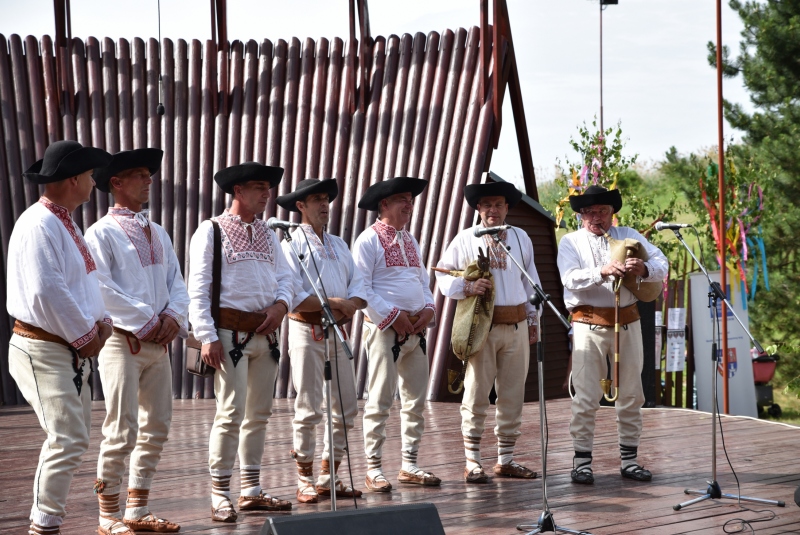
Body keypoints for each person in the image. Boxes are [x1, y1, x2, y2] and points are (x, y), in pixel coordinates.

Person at [7, 140, 113, 535]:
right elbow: (45, 291)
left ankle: (47, 522)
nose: (92, 181)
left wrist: (100, 322)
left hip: (66, 347)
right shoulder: (39, 223)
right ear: (73, 179)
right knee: (67, 437)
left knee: (73, 438)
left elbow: (82, 283)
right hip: (45, 347)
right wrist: (88, 335)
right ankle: (43, 526)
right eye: (88, 175)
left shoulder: (63, 221)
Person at [85, 149, 189, 534]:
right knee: (122, 426)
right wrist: (149, 320)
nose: (148, 180)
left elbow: (177, 283)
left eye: (149, 174)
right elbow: (100, 287)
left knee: (157, 425)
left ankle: (137, 508)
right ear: (116, 182)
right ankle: (107, 514)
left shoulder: (158, 231)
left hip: (157, 343)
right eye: (139, 175)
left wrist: (174, 317)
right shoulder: (101, 232)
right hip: (122, 342)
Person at [188, 162, 295, 522]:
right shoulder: (211, 230)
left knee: (259, 414)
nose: (266, 193)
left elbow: (287, 279)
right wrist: (206, 335)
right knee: (231, 412)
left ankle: (250, 490)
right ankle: (220, 493)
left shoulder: (269, 233)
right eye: (258, 187)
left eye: (268, 187)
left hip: (266, 334)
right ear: (237, 191)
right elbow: (198, 287)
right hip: (227, 334)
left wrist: (281, 306)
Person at [557, 185, 668, 484]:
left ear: (612, 213)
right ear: (581, 214)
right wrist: (602, 272)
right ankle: (581, 463)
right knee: (586, 396)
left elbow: (662, 263)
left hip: (628, 324)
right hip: (587, 324)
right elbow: (569, 279)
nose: (597, 217)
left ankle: (629, 461)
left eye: (603, 211)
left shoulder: (629, 235)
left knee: (632, 394)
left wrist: (644, 268)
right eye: (590, 212)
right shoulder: (570, 242)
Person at [436, 180, 541, 484]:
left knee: (512, 393)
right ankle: (472, 461)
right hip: (483, 325)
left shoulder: (521, 238)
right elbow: (443, 276)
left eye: (498, 204)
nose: (492, 210)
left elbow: (531, 282)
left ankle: (505, 459)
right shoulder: (465, 238)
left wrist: (534, 318)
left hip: (518, 324)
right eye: (486, 205)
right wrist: (467, 287)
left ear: (507, 208)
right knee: (477, 391)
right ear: (478, 209)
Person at [276, 179, 367, 504]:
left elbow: (359, 286)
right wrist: (338, 303)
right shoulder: (289, 242)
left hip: (338, 330)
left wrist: (349, 305)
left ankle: (330, 476)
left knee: (346, 406)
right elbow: (294, 296)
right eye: (317, 199)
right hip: (305, 330)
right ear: (300, 205)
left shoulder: (340, 244)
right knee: (309, 405)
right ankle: (304, 478)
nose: (324, 204)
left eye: (326, 199)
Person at [351, 176, 440, 493]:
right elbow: (360, 290)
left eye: (411, 200)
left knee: (416, 400)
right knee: (380, 399)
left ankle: (409, 463)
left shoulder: (410, 240)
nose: (409, 204)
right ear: (384, 204)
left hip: (416, 331)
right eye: (402, 199)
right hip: (384, 331)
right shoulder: (368, 241)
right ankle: (373, 467)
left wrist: (428, 310)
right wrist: (393, 317)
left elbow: (423, 283)